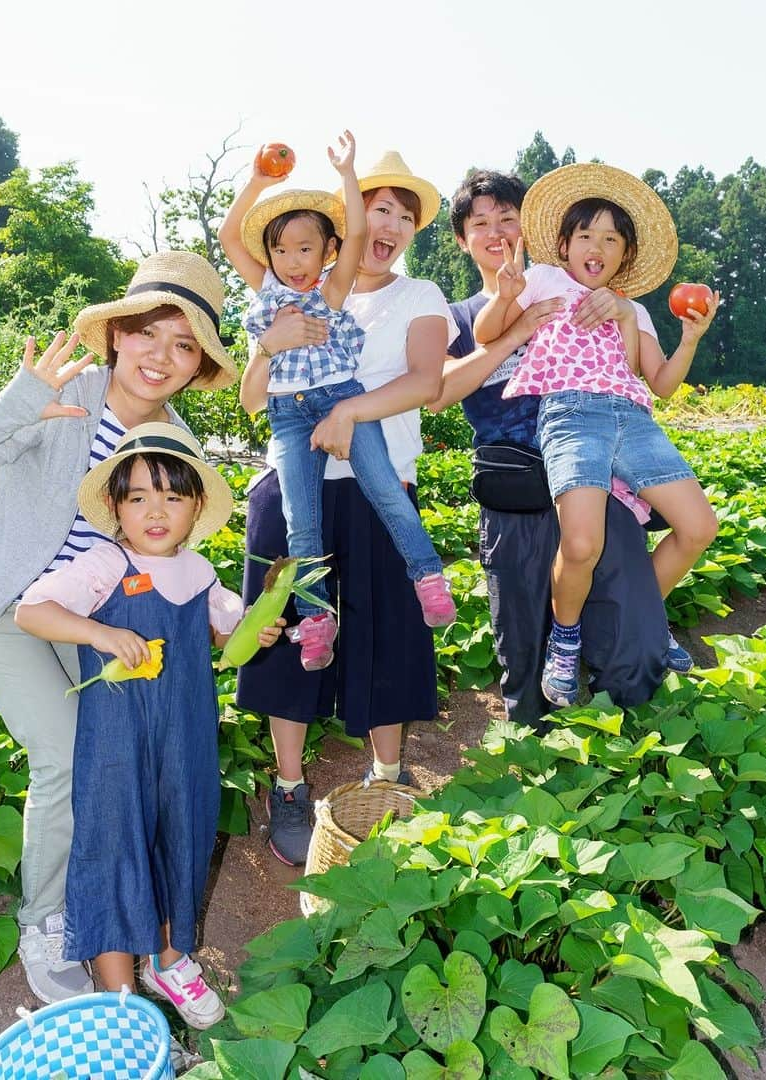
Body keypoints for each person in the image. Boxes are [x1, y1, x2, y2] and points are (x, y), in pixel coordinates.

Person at [0, 252, 238, 1003]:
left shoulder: (172, 437)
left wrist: (224, 622)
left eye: (184, 345)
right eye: (150, 334)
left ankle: (125, 923)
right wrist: (19, 401)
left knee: (119, 753)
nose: (162, 357)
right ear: (117, 335)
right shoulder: (64, 395)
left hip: (75, 613)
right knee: (65, 752)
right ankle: (46, 923)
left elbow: (169, 546)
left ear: (197, 366)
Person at [14, 424, 281, 1027]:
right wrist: (101, 632)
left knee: (179, 838)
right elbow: (34, 611)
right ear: (115, 508)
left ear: (195, 509)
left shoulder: (202, 573)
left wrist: (256, 631)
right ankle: (119, 1001)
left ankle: (169, 958)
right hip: (116, 743)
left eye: (172, 498)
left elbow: (225, 635)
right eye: (138, 497)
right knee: (114, 844)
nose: (155, 512)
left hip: (185, 741)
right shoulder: (106, 562)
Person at [235, 150, 458, 866]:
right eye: (375, 206)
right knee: (289, 633)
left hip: (377, 476)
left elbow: (428, 381)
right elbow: (249, 397)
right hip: (294, 474)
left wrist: (349, 415)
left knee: (387, 635)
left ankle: (387, 778)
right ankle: (291, 786)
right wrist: (266, 349)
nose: (384, 223)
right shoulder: (283, 290)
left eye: (402, 211)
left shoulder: (413, 294)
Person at [431, 169, 678, 728]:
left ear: (533, 230)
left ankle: (620, 744)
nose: (496, 233)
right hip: (516, 493)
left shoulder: (589, 299)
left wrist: (620, 316)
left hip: (598, 483)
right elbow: (440, 393)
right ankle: (537, 760)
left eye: (507, 219)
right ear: (461, 239)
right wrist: (515, 332)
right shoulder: (460, 317)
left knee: (629, 630)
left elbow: (635, 388)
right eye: (480, 223)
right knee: (523, 644)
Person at [473, 163, 719, 707]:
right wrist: (506, 295)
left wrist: (688, 338)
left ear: (624, 255)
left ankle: (646, 618)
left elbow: (660, 384)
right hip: (571, 417)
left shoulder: (635, 307)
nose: (597, 246)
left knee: (699, 527)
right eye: (586, 234)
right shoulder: (541, 280)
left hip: (631, 419)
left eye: (611, 239)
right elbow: (486, 333)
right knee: (582, 543)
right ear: (563, 245)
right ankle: (566, 641)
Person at [219, 133, 454, 671]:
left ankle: (427, 574)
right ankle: (315, 617)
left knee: (387, 490)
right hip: (288, 418)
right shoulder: (267, 293)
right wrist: (258, 181)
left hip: (340, 398)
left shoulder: (332, 291)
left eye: (306, 249)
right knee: (301, 520)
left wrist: (349, 176)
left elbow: (353, 236)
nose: (293, 260)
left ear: (326, 251)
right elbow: (230, 237)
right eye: (281, 250)